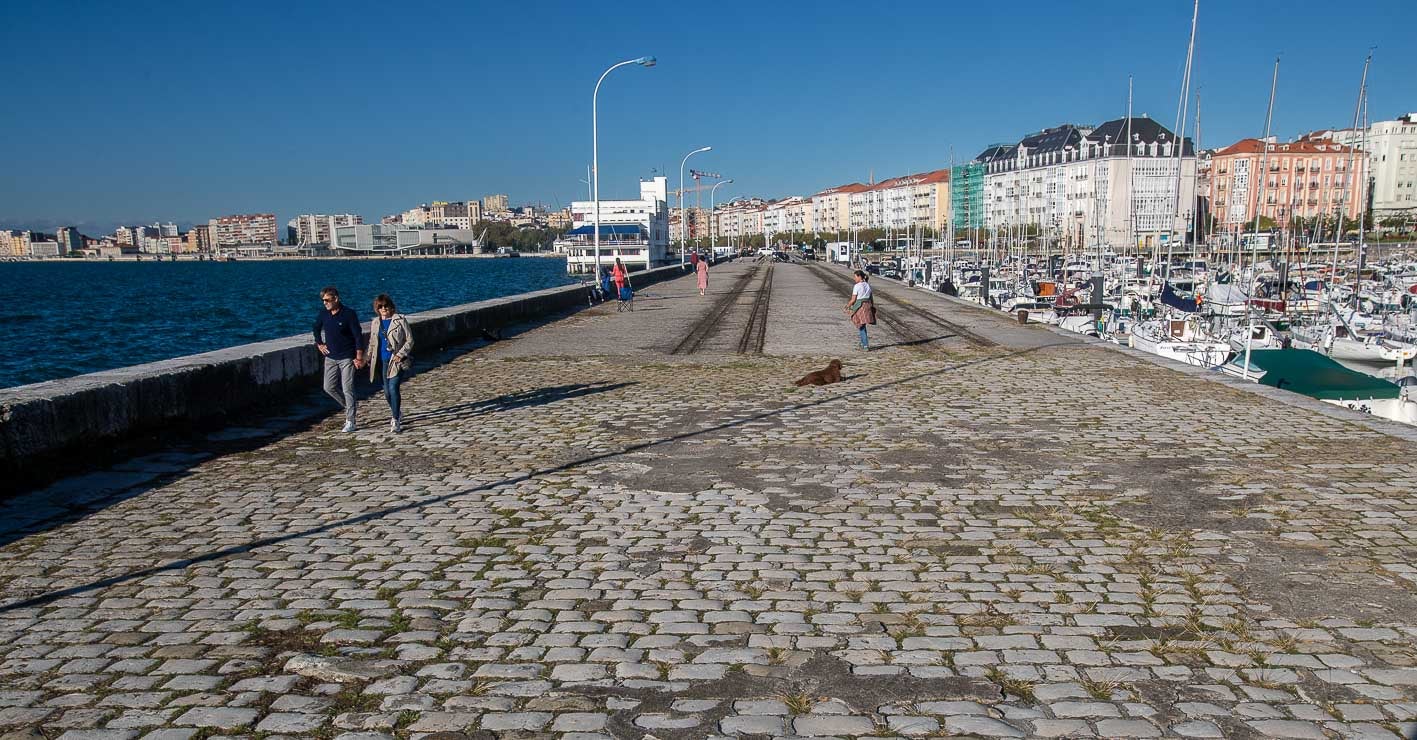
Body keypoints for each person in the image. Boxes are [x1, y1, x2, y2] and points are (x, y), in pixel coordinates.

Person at [313, 286, 364, 432]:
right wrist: (319, 344)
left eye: (327, 300)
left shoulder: (349, 314)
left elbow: (358, 336)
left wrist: (359, 356)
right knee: (328, 387)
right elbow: (316, 328)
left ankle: (350, 420)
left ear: (336, 298)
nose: (325, 303)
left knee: (347, 388)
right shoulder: (324, 314)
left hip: (347, 357)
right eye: (323, 301)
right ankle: (350, 406)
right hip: (330, 356)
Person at [366, 294, 414, 433]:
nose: (383, 309)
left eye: (385, 306)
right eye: (380, 306)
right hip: (381, 361)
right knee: (386, 392)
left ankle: (395, 419)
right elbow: (372, 342)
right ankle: (397, 411)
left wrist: (400, 354)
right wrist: (368, 356)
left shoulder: (400, 320)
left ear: (391, 306)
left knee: (393, 388)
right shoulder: (375, 322)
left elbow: (410, 340)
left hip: (396, 360)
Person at [843, 270, 876, 351]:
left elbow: (853, 300)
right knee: (862, 325)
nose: (854, 278)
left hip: (860, 306)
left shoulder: (857, 286)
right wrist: (872, 306)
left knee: (861, 326)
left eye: (855, 277)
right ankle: (862, 343)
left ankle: (865, 345)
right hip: (867, 305)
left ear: (859, 276)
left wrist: (847, 306)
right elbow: (871, 298)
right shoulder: (867, 285)